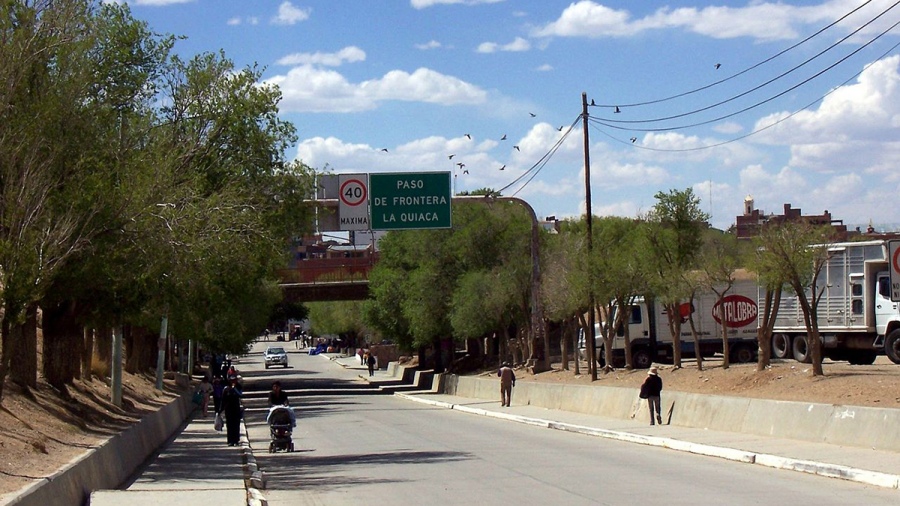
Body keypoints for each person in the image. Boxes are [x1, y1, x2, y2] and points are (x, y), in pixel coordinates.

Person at [221, 377, 244, 446]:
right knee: (229, 425)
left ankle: (236, 440)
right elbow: (223, 400)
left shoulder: (238, 387)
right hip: (228, 409)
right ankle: (230, 440)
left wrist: (234, 389)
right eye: (231, 380)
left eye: (234, 380)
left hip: (236, 409)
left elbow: (240, 395)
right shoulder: (226, 389)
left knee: (236, 425)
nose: (233, 382)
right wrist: (220, 410)